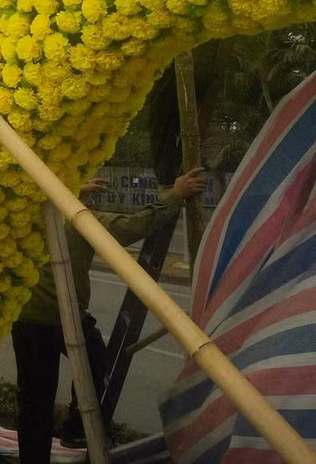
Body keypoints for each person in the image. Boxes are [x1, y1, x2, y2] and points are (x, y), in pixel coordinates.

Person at [11, 168, 207, 462]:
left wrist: (75, 189)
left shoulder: (25, 217)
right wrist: (174, 196)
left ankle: (36, 455)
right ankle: (77, 427)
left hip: (24, 318)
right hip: (63, 317)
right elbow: (132, 226)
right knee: (100, 366)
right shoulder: (79, 221)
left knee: (34, 401)